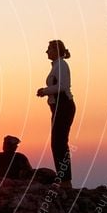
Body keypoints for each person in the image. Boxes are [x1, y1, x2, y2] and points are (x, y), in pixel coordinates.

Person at [36, 39, 75, 188]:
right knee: (58, 143)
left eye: (49, 49)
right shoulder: (57, 66)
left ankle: (66, 181)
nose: (47, 52)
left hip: (63, 106)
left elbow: (62, 86)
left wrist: (45, 91)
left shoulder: (61, 65)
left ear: (56, 51)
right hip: (58, 107)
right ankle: (64, 179)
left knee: (59, 143)